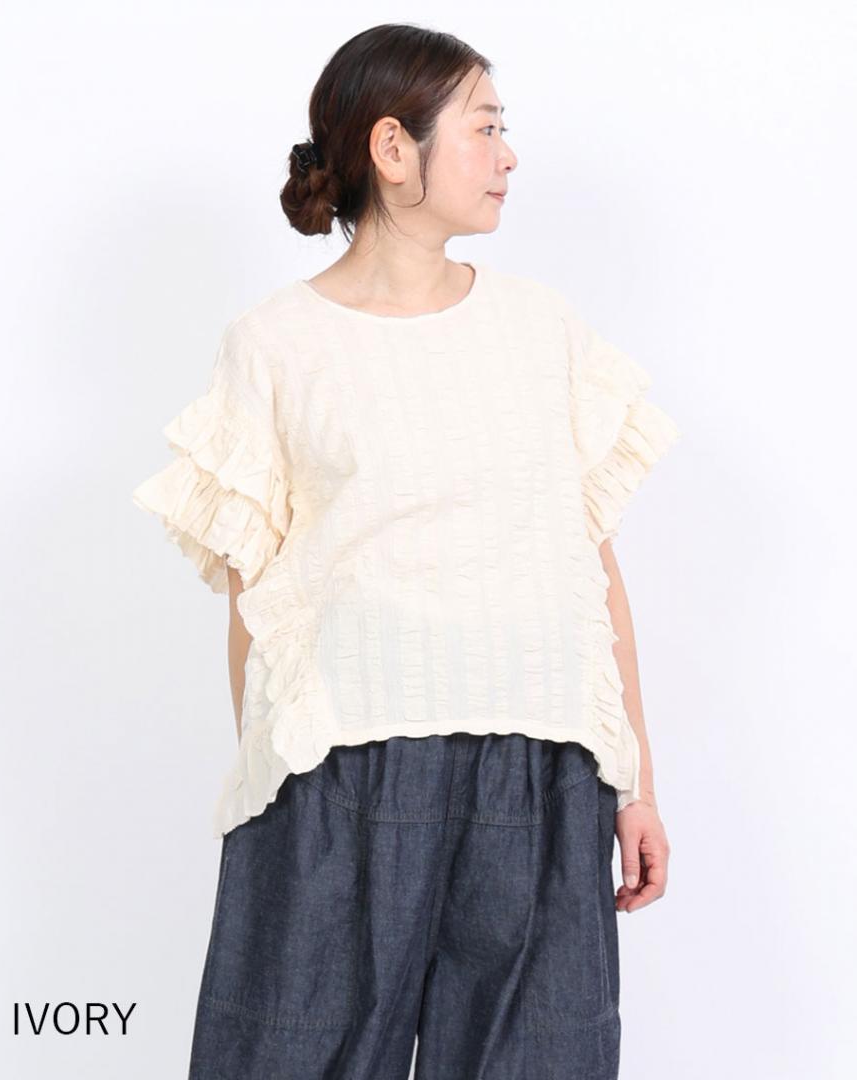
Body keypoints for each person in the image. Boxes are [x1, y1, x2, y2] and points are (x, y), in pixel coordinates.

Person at [131, 23, 681, 1080]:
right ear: (393, 147)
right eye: (485, 128)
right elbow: (253, 599)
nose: (508, 154)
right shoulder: (275, 345)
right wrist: (275, 785)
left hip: (542, 764)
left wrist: (636, 783)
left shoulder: (543, 329)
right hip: (343, 768)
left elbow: (591, 569)